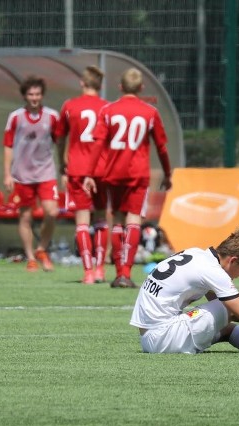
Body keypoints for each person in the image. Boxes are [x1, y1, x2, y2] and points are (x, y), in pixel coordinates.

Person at [85, 67, 173, 288]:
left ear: (120, 87)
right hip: (137, 173)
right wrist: (168, 173)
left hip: (113, 172)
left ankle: (117, 273)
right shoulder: (150, 112)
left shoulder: (108, 111)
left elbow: (97, 144)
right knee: (134, 220)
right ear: (142, 88)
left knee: (117, 220)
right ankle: (126, 273)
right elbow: (161, 147)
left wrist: (89, 173)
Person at [55, 65, 110, 284]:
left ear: (82, 83)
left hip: (77, 169)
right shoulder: (107, 107)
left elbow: (60, 138)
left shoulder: (70, 106)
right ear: (100, 85)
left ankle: (87, 271)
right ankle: (100, 269)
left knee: (81, 222)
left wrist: (62, 163)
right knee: (101, 220)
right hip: (102, 169)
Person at [3, 75, 61, 273]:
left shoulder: (52, 116)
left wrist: (64, 167)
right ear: (24, 96)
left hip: (46, 173)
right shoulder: (15, 117)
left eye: (37, 94)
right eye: (30, 94)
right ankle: (30, 257)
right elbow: (8, 145)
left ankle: (42, 248)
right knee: (25, 217)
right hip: (22, 175)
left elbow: (59, 142)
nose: (34, 98)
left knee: (51, 212)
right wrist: (7, 174)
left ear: (42, 95)